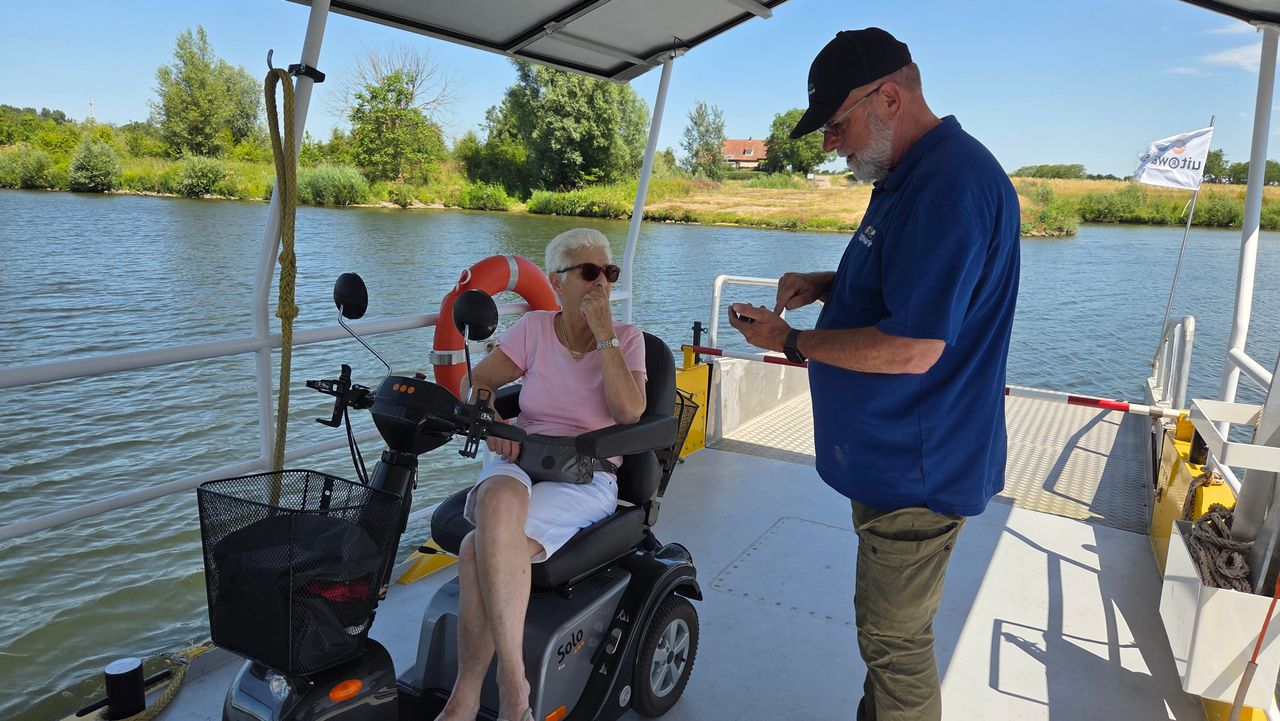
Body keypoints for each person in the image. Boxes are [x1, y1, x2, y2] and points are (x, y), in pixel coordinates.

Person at [728, 28, 1021, 721]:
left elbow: (914, 347)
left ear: (889, 97)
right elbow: (908, 287)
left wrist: (791, 342)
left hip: (919, 469)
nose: (831, 144)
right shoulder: (908, 174)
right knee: (887, 635)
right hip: (896, 461)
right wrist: (827, 283)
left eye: (836, 124)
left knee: (895, 643)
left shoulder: (948, 186)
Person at [433, 228, 648, 721]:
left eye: (609, 272)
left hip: (587, 472)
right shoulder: (532, 329)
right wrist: (492, 419)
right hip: (522, 455)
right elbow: (478, 383)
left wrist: (605, 336)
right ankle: (514, 689)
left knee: (474, 548)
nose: (602, 282)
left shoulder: (628, 339)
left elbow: (629, 412)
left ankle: (476, 695)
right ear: (556, 280)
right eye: (590, 272)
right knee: (496, 502)